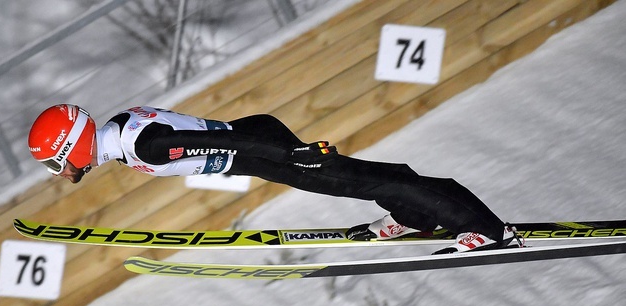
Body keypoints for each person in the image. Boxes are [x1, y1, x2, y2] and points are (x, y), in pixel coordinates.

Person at [28, 104, 521, 253]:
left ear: (72, 145)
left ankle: (487, 228)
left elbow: (229, 146)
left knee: (352, 179)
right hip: (258, 147)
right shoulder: (119, 132)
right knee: (357, 180)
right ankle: (414, 216)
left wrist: (295, 154)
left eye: (59, 161)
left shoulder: (142, 144)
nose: (64, 172)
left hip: (261, 148)